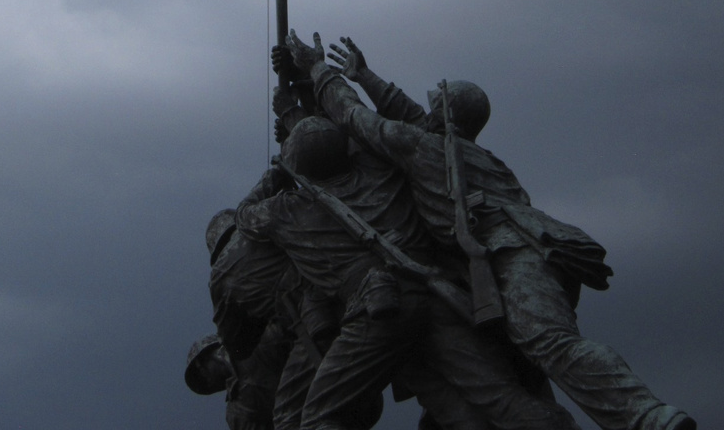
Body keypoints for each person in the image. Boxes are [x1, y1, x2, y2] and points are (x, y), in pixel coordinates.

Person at [284, 31, 696, 430]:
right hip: (537, 255)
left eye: (433, 108)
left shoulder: (424, 148)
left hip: (512, 255)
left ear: (441, 116)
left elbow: (356, 118)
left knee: (551, 345)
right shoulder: (478, 155)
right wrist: (366, 76)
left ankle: (644, 415)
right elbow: (419, 121)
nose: (424, 113)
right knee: (523, 371)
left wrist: (320, 70)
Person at [237, 115, 583, 430]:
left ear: (301, 167)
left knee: (319, 417)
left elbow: (244, 215)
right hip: (431, 297)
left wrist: (276, 175)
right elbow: (359, 143)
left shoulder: (286, 210)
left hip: (377, 317)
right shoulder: (382, 173)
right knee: (496, 399)